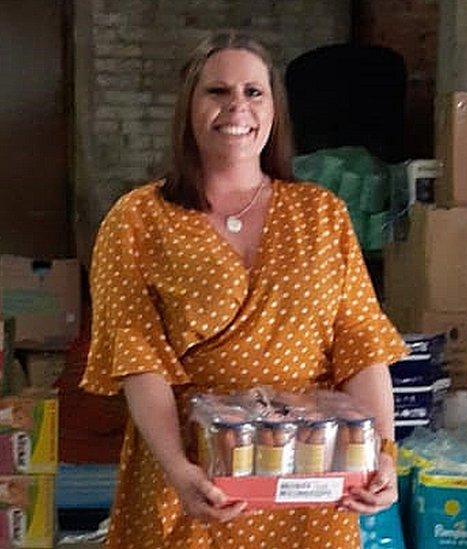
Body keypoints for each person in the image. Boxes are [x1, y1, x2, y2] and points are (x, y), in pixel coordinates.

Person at [80, 30, 408, 548]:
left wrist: (383, 455)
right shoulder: (138, 220)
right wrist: (177, 467)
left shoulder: (321, 215)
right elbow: (137, 356)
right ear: (188, 107)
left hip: (309, 478)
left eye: (254, 92)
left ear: (274, 109)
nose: (237, 107)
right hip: (195, 479)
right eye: (217, 92)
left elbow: (360, 343)